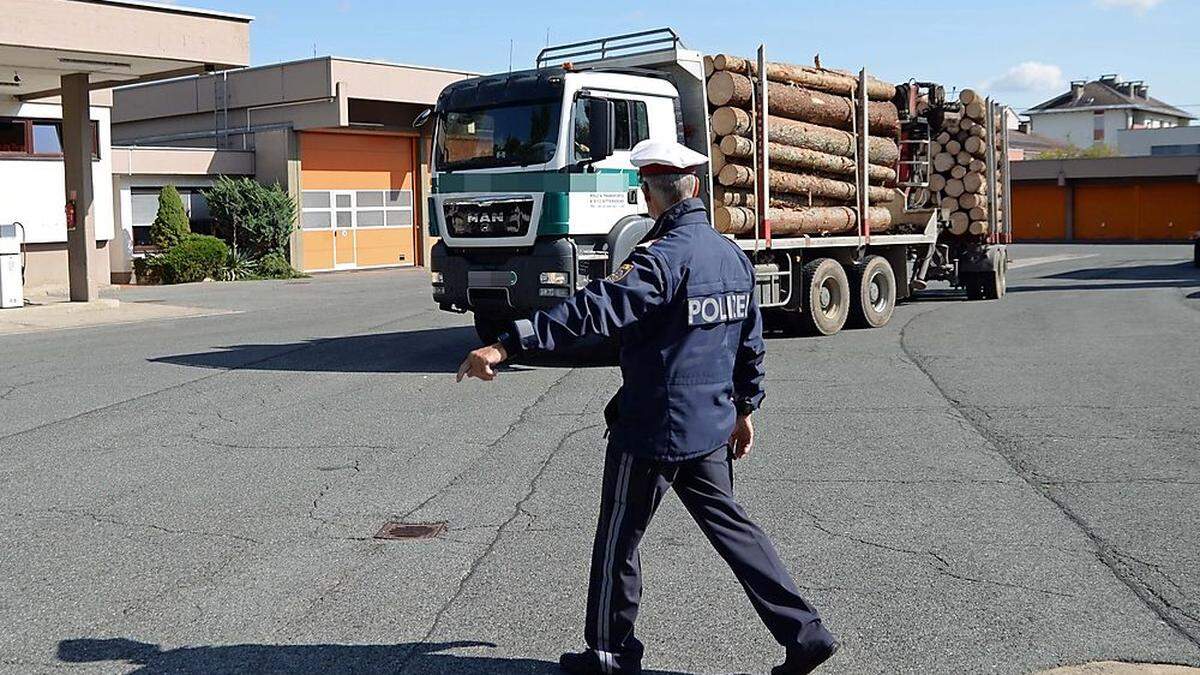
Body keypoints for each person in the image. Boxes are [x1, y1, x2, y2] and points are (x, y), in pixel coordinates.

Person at [456, 139, 839, 675]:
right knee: (737, 533)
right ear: (697, 189)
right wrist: (745, 408)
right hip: (711, 423)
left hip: (653, 426)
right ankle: (805, 634)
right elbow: (749, 343)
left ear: (648, 195)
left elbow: (597, 309)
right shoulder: (729, 255)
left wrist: (507, 342)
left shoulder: (660, 258)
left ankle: (611, 654)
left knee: (620, 538)